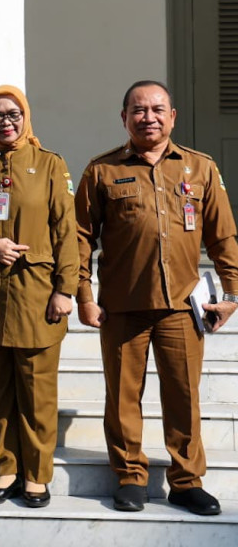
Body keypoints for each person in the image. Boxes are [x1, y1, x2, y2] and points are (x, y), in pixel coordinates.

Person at [76, 80, 238, 516]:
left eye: (157, 109)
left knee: (183, 396)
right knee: (123, 397)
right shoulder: (101, 171)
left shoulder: (200, 168)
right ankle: (130, 477)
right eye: (138, 109)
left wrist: (232, 293)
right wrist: (84, 295)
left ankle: (186, 482)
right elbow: (79, 238)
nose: (148, 117)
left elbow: (223, 235)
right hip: (122, 306)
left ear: (173, 116)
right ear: (124, 117)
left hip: (184, 308)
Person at [0, 85, 76, 508]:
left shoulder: (50, 164)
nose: (6, 122)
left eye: (13, 113)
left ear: (26, 116)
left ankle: (37, 474)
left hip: (38, 294)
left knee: (37, 390)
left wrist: (66, 289)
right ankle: (6, 467)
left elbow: (66, 232)